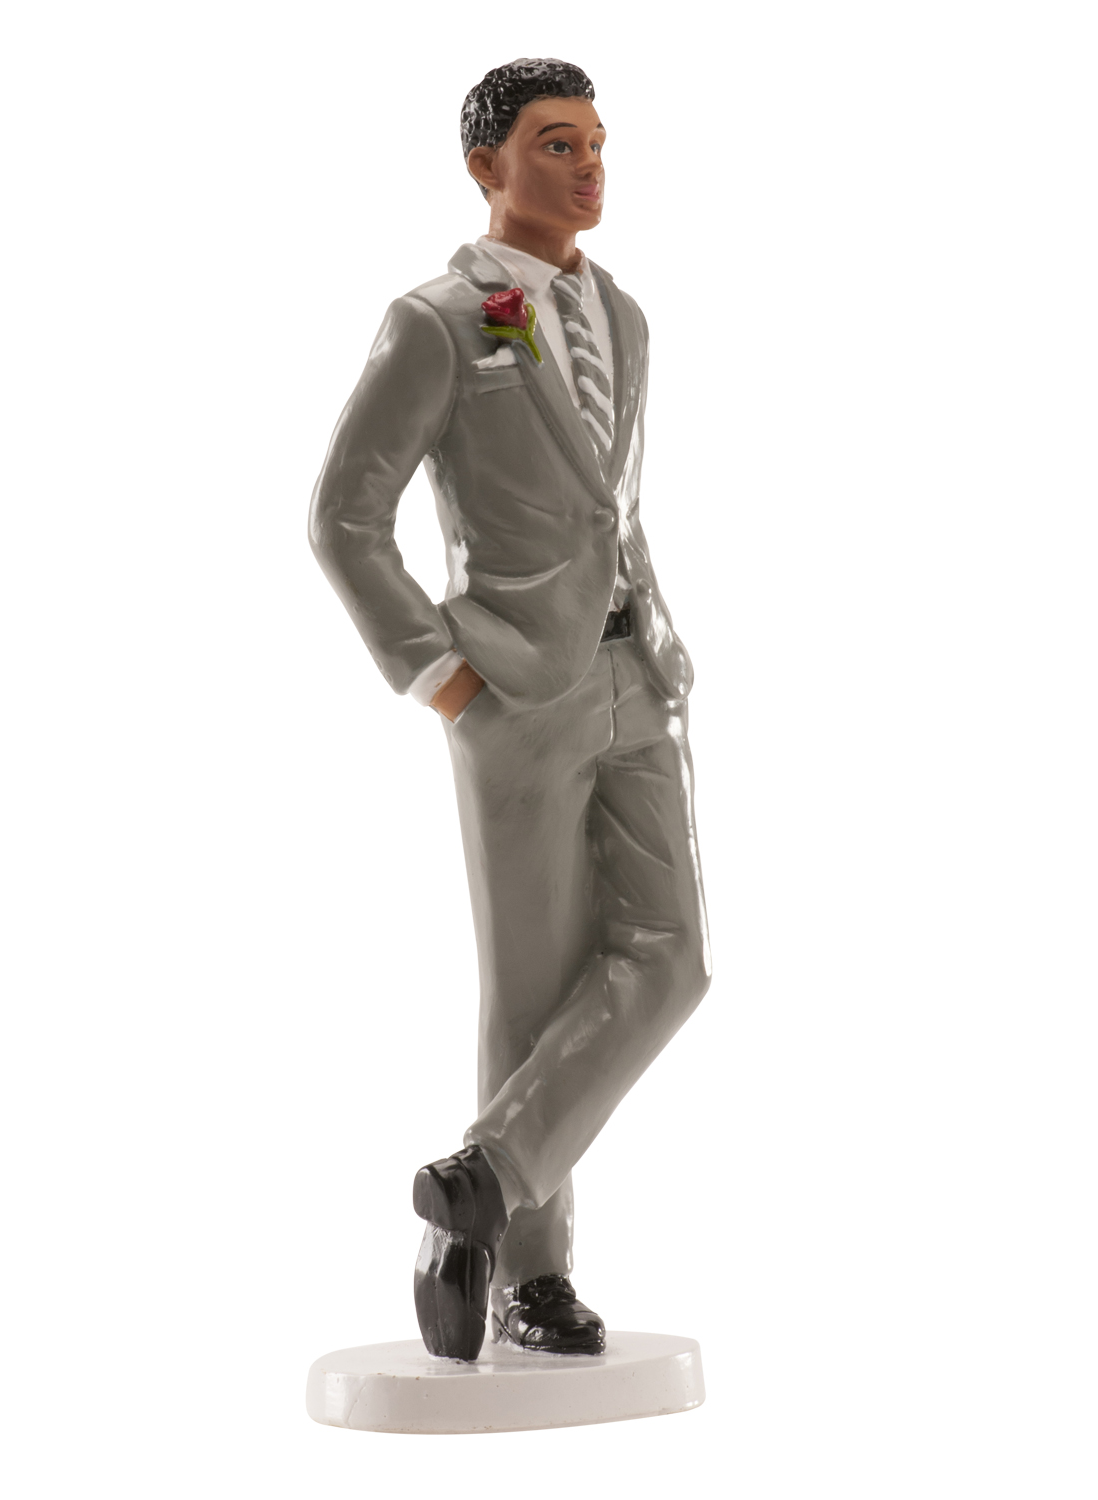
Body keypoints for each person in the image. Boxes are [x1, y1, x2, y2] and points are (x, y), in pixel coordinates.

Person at [309, 58, 711, 1361]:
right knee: (533, 985)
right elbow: (345, 516)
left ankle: (476, 1184)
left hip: (637, 672)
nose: (588, 167)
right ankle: (529, 1275)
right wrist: (440, 673)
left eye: (596, 142)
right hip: (513, 690)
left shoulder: (624, 316)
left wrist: (655, 643)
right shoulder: (439, 322)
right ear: (487, 166)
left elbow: (608, 507)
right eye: (555, 145)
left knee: (672, 956)